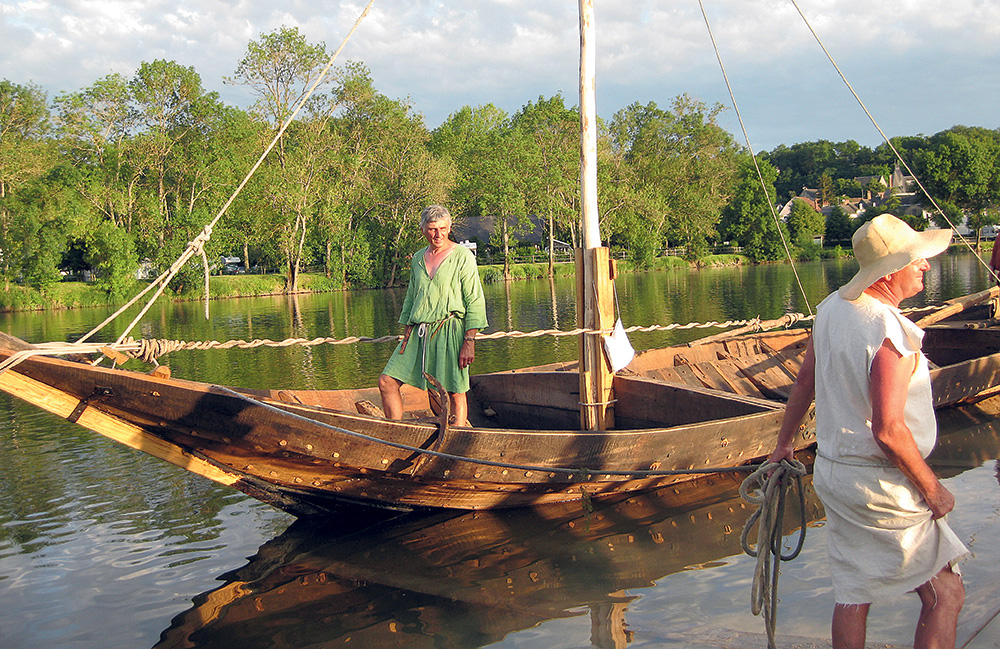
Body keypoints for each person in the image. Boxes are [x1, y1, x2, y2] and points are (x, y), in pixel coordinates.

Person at [769, 214, 966, 649]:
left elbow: (805, 383)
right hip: (880, 485)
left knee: (853, 594)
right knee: (946, 593)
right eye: (917, 259)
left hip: (836, 473)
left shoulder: (832, 308)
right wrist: (933, 489)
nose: (926, 266)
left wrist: (783, 446)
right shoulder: (888, 329)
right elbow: (889, 431)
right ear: (891, 269)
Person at [378, 205, 488, 427]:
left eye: (443, 228)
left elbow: (475, 300)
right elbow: (411, 296)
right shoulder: (418, 258)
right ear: (423, 230)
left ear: (449, 228)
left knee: (455, 391)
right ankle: (395, 433)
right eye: (432, 229)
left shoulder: (462, 256)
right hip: (418, 332)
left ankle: (457, 442)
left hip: (451, 331)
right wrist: (406, 331)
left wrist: (469, 341)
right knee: (387, 381)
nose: (438, 234)